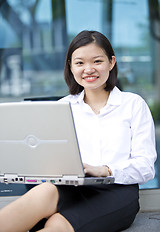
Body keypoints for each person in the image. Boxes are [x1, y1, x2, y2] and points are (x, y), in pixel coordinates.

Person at [0, 30, 157, 232]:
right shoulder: (61, 108)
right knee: (45, 191)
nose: (88, 69)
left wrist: (106, 170)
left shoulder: (133, 104)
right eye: (80, 63)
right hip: (70, 188)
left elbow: (146, 167)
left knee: (56, 224)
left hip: (117, 191)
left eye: (97, 61)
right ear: (70, 67)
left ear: (111, 62)